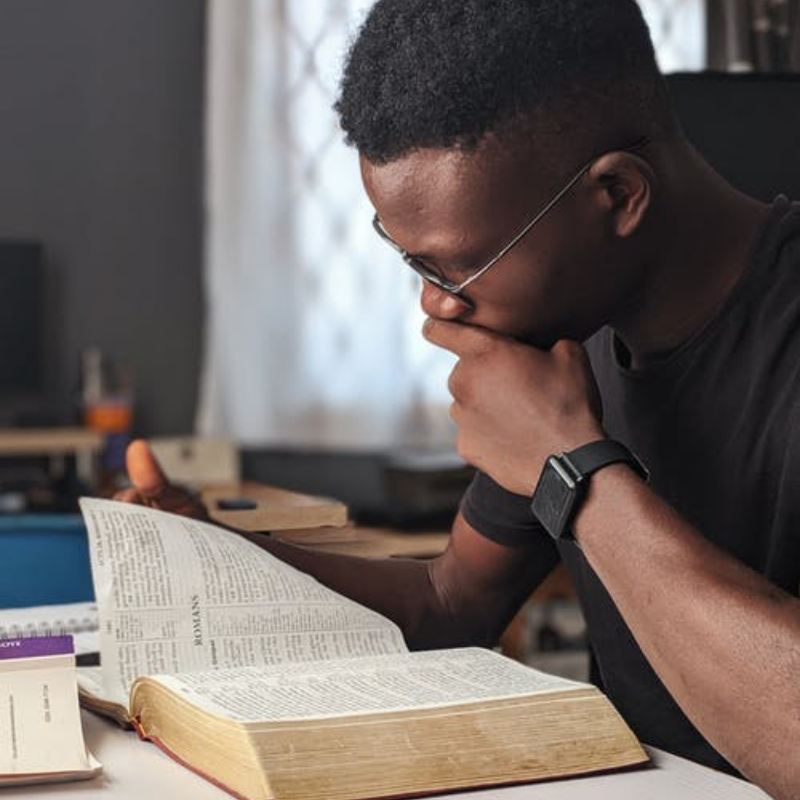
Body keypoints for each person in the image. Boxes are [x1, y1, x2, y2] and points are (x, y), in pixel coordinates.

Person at [115, 2, 800, 798]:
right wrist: (212, 553)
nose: (435, 307)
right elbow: (451, 601)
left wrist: (573, 471)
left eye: (456, 268)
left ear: (616, 196)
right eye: (414, 265)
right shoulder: (567, 344)